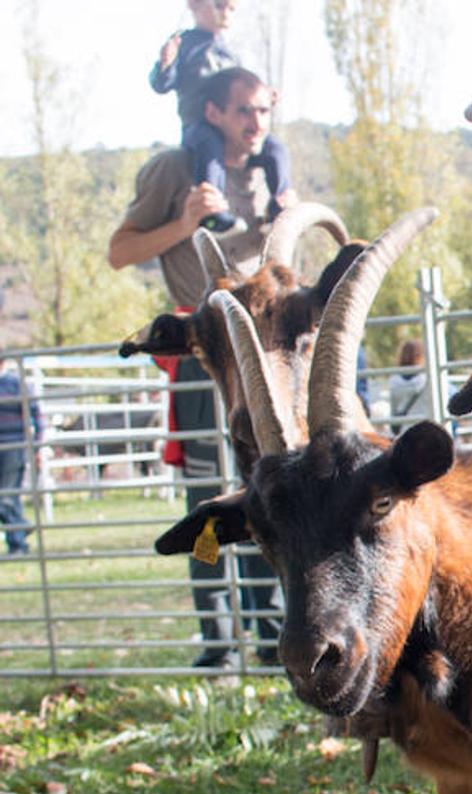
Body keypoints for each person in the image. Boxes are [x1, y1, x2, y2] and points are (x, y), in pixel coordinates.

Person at [108, 66, 287, 668]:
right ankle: (217, 641)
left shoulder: (269, 172)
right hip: (205, 353)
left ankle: (268, 636)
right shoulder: (174, 169)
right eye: (243, 112)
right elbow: (120, 250)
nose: (255, 124)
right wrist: (184, 224)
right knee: (208, 498)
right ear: (212, 113)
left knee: (270, 490)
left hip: (265, 356)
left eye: (262, 111)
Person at [150, 0, 292, 232]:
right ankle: (212, 213)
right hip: (199, 126)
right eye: (218, 5)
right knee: (209, 147)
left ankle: (279, 205)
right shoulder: (185, 45)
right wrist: (165, 64)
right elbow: (162, 83)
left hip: (233, 128)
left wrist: (263, 96)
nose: (225, 14)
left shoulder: (229, 51)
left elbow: (243, 86)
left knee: (275, 149)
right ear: (194, 6)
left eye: (231, 9)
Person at [0, 360, 42, 556]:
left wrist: (36, 443)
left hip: (13, 445)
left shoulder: (16, 384)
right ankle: (19, 533)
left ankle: (18, 539)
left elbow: (35, 413)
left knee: (7, 496)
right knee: (8, 497)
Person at [389, 339, 431, 435]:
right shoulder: (427, 380)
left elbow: (393, 411)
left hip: (404, 433)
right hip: (425, 429)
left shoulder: (393, 381)